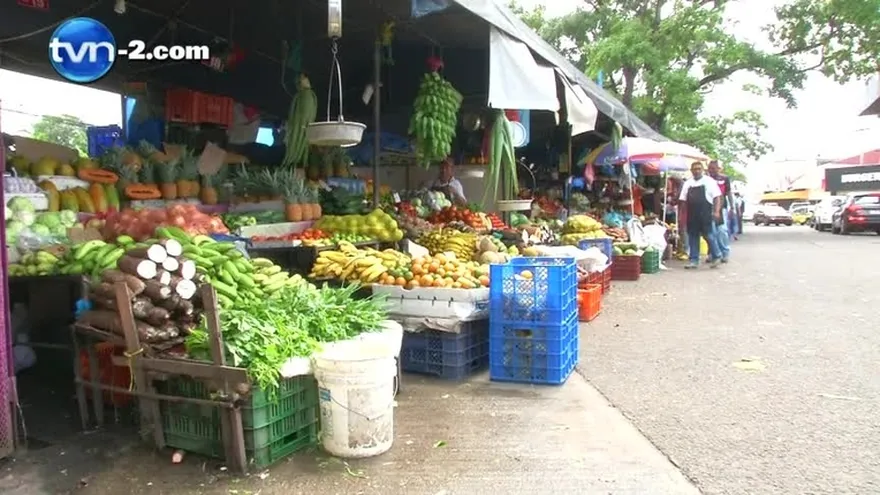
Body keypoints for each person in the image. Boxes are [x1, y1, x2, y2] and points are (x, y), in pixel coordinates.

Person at [679, 161, 723, 269]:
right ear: (691, 171)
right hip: (692, 214)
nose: (697, 171)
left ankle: (717, 256)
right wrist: (682, 216)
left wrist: (716, 211)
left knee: (709, 235)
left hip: (705, 212)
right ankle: (694, 260)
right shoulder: (688, 183)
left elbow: (717, 197)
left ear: (703, 170)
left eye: (699, 169)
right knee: (693, 236)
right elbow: (683, 201)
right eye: (694, 169)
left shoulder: (709, 181)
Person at [707, 160, 735, 262]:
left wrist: (732, 207)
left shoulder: (724, 178)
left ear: (719, 168)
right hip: (708, 208)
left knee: (721, 231)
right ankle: (713, 253)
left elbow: (728, 192)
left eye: (713, 168)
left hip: (721, 208)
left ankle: (725, 252)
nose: (711, 170)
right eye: (710, 168)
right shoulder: (706, 179)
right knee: (711, 232)